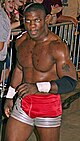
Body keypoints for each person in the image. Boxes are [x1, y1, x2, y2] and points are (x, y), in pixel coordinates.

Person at [4, 3, 77, 141]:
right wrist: (10, 96)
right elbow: (19, 69)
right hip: (23, 100)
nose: (32, 26)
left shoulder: (57, 47)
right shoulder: (20, 41)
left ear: (47, 19)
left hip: (48, 105)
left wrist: (38, 87)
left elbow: (71, 81)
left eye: (37, 20)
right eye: (28, 20)